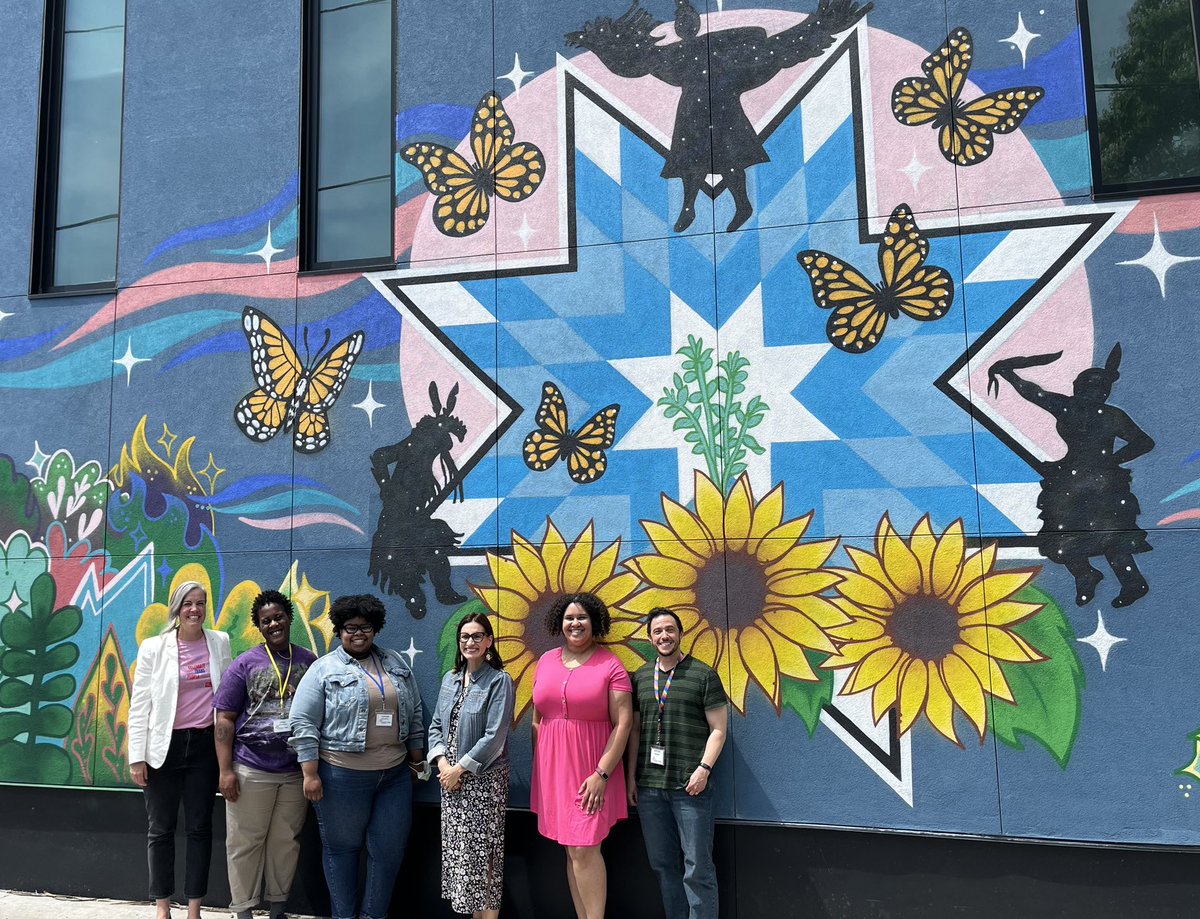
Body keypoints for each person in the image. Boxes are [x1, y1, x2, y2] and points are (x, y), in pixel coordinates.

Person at [288, 594, 427, 919]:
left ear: (375, 628)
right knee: (342, 851)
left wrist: (417, 759)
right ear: (339, 630)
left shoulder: (395, 663)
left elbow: (416, 712)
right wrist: (310, 772)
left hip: (394, 775)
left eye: (364, 626)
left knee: (389, 852)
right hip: (341, 777)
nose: (357, 633)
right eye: (350, 627)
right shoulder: (324, 669)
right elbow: (302, 721)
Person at [988, 344, 1154, 608]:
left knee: (1108, 535)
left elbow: (1144, 442)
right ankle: (1086, 575)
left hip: (1096, 483)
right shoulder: (1080, 409)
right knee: (1064, 534)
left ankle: (1129, 583)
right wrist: (1009, 375)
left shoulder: (1088, 411)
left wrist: (1112, 460)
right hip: (1076, 481)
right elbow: (1033, 393)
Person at [127, 581, 233, 919]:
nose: (195, 610)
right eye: (188, 603)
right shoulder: (154, 648)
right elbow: (140, 703)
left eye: (201, 603)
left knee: (200, 828)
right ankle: (162, 906)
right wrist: (137, 756)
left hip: (204, 747)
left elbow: (227, 701)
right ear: (177, 607)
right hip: (164, 748)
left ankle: (194, 908)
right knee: (161, 829)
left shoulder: (220, 642)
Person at [213, 590, 318, 919]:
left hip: (293, 771)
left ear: (289, 618)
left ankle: (277, 908)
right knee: (245, 842)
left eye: (278, 617)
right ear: (259, 627)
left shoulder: (309, 662)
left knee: (285, 842)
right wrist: (225, 770)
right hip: (251, 769)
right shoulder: (244, 663)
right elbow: (224, 720)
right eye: (265, 620)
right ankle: (243, 910)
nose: (273, 623)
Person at [530, 592, 634, 919]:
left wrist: (602, 774)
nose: (575, 623)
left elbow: (624, 723)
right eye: (569, 618)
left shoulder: (610, 664)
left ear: (595, 622)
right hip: (554, 772)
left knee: (584, 850)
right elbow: (537, 718)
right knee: (570, 850)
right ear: (560, 623)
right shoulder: (545, 660)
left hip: (593, 769)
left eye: (582, 618)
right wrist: (543, 767)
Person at [626, 608, 728, 919]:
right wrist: (631, 777)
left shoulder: (703, 674)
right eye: (658, 631)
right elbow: (635, 730)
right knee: (663, 866)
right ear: (649, 638)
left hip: (690, 788)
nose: (664, 636)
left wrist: (704, 770)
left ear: (680, 634)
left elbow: (719, 730)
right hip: (650, 790)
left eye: (670, 630)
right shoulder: (641, 677)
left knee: (697, 868)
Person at [427, 612, 516, 918]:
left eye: (477, 636)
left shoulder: (499, 681)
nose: (470, 642)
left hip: (483, 784)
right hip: (450, 782)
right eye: (465, 636)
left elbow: (495, 736)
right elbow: (436, 726)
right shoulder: (450, 679)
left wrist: (458, 769)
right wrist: (442, 764)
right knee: (462, 855)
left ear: (489, 641)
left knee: (484, 854)